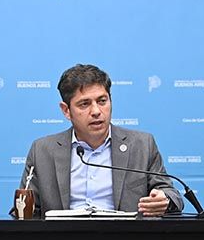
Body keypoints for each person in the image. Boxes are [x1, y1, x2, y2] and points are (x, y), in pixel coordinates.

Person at [17, 63, 183, 218]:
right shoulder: (43, 150)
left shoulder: (142, 145)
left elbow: (171, 193)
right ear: (66, 110)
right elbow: (25, 212)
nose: (96, 111)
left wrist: (164, 199)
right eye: (84, 104)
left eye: (102, 101)